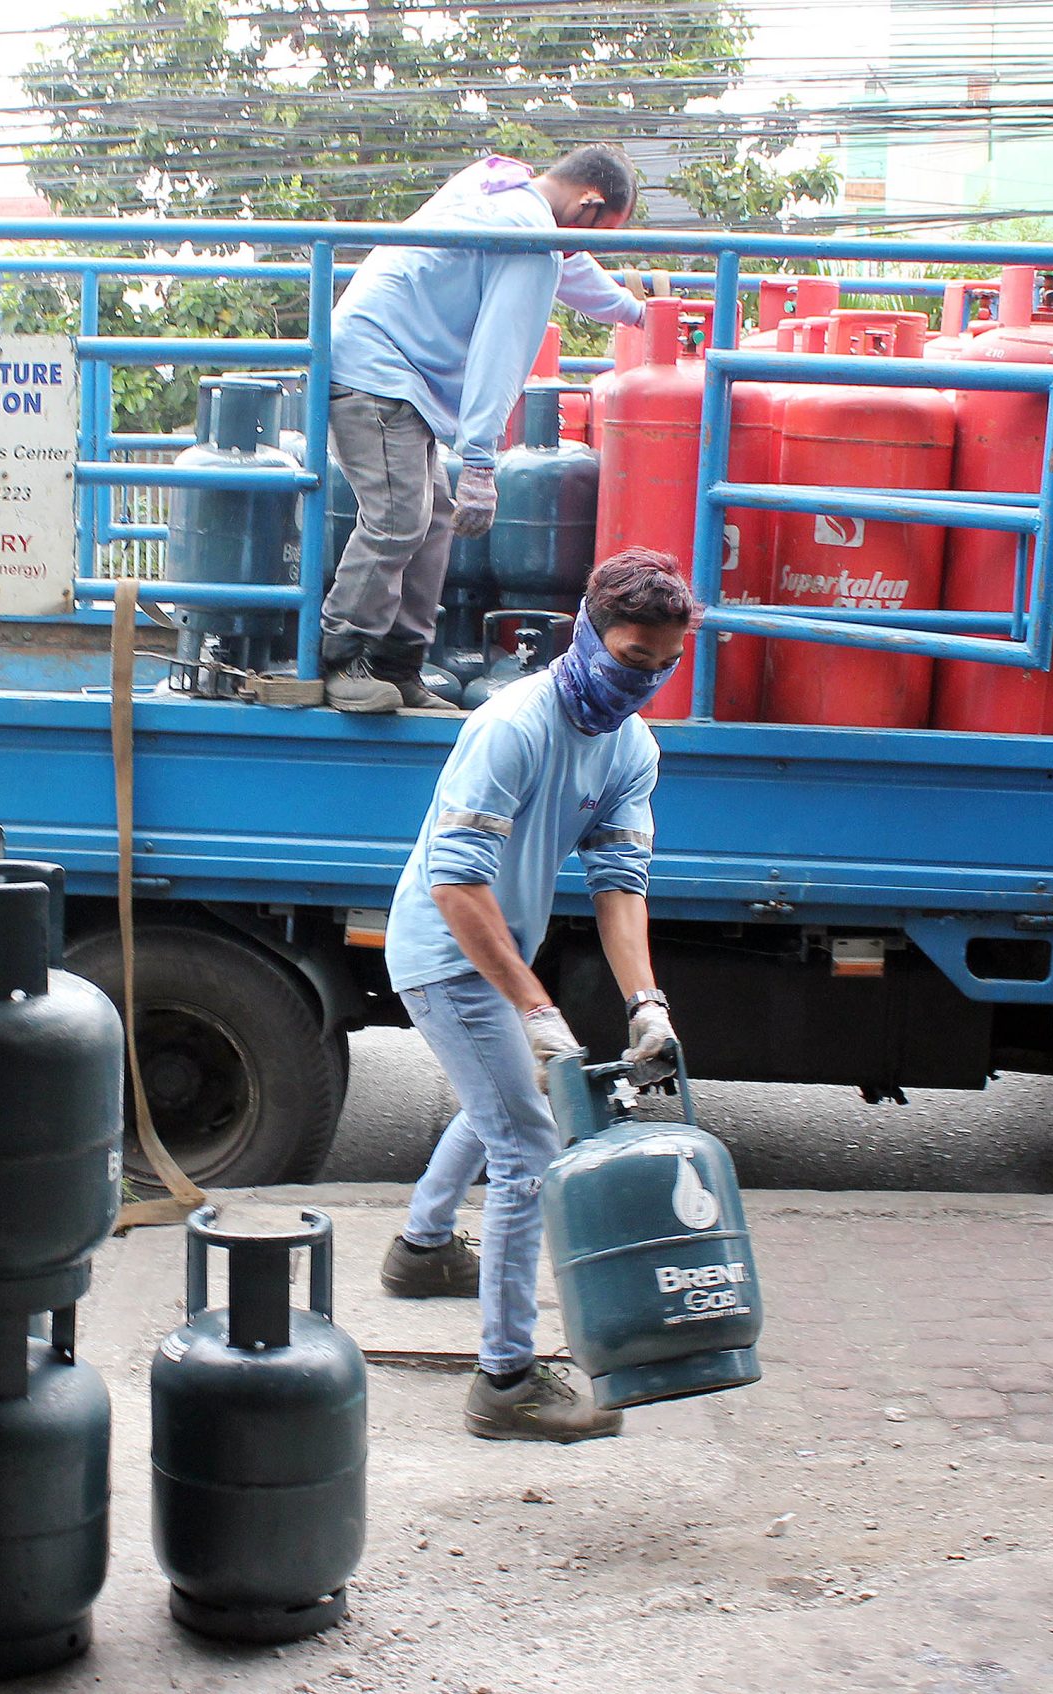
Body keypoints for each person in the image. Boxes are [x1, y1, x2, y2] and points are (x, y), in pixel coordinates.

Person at [378, 549, 691, 1441]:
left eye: (664, 668)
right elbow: (456, 884)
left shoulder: (633, 747)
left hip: (500, 946)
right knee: (529, 1144)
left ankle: (422, 1253)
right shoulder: (513, 726)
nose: (644, 682)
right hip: (446, 950)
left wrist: (646, 1004)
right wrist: (538, 1010)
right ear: (586, 634)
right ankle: (505, 1380)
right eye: (633, 659)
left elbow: (619, 885)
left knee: (497, 1101)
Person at [320, 145, 650, 713]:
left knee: (433, 519)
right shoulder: (527, 237)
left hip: (399, 369)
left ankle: (398, 665)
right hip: (373, 369)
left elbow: (570, 264)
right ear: (589, 201)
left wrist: (639, 313)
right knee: (398, 518)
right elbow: (500, 352)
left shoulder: (504, 190)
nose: (584, 246)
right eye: (597, 230)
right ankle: (342, 657)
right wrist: (479, 459)